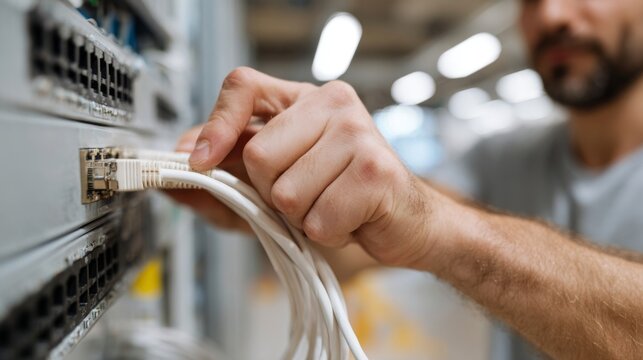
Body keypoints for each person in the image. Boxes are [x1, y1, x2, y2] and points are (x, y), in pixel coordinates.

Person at [168, 0, 643, 358]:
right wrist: (268, 205)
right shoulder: (503, 157)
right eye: (531, 0)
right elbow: (364, 247)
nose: (552, 14)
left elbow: (433, 226)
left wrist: (440, 227)